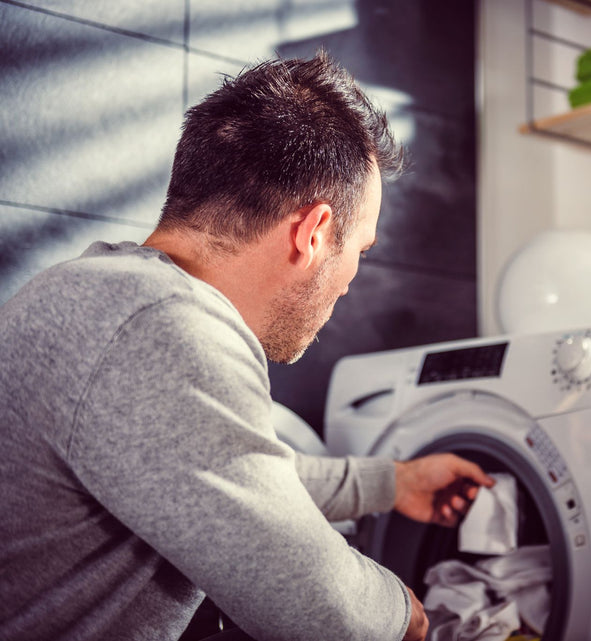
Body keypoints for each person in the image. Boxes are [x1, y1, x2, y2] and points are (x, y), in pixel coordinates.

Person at [0, 51, 494, 641]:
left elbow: (237, 481)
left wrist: (396, 482)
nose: (350, 280)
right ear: (312, 234)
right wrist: (403, 614)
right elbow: (325, 612)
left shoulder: (110, 295)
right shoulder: (164, 325)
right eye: (358, 251)